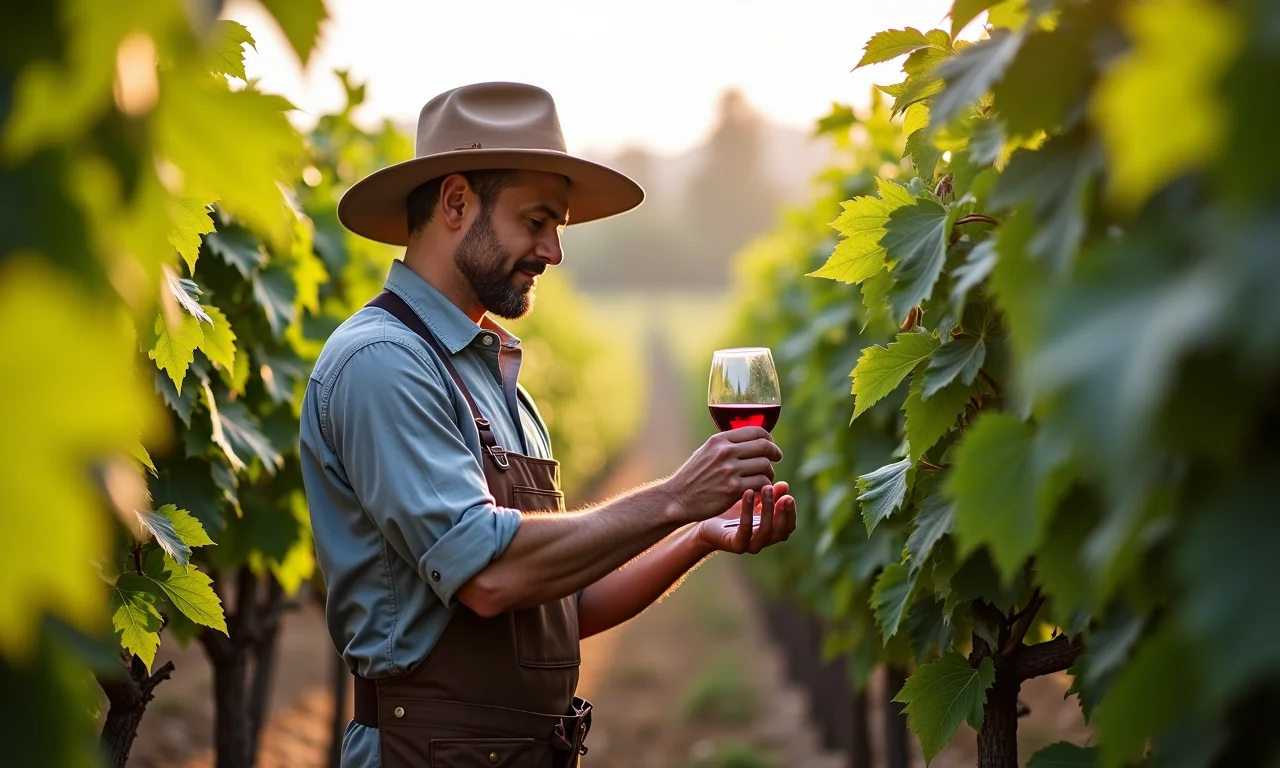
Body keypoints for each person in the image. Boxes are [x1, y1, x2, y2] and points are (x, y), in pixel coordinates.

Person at [299, 81, 798, 768]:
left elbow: (562, 604)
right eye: (535, 221)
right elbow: (490, 575)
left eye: (556, 227)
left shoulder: (498, 379)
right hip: (426, 753)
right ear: (455, 203)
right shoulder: (383, 362)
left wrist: (699, 534)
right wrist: (676, 496)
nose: (553, 251)